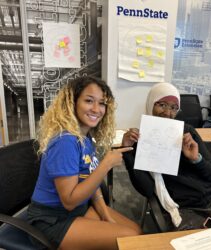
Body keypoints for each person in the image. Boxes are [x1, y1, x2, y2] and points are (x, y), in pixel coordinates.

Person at [28, 76, 142, 250]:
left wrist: (106, 217)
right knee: (131, 240)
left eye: (102, 103)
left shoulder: (85, 138)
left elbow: (90, 183)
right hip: (51, 220)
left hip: (77, 210)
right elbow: (69, 201)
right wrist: (105, 165)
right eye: (89, 101)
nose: (96, 109)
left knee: (136, 230)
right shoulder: (65, 141)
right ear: (73, 102)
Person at [122, 82, 211, 231]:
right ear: (150, 104)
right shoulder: (141, 140)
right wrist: (128, 152)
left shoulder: (187, 132)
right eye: (162, 105)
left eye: (173, 108)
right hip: (181, 209)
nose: (167, 113)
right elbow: (147, 189)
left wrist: (197, 159)